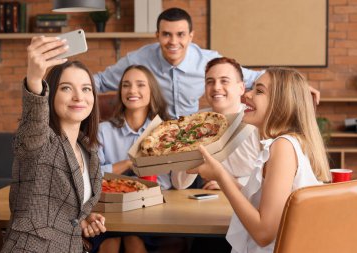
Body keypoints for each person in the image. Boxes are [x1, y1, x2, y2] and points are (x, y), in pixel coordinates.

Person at [187, 67, 330, 253]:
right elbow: (257, 201)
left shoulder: (283, 147)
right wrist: (222, 177)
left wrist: (220, 176)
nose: (247, 94)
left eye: (259, 91)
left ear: (281, 103)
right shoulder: (285, 143)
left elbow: (263, 234)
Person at [1, 36, 106, 253]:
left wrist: (80, 220)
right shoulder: (40, 139)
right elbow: (35, 119)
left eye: (86, 89)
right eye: (66, 88)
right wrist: (34, 79)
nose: (79, 97)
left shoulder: (88, 149)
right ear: (51, 95)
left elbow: (64, 208)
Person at [94, 7, 263, 119]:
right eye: (166, 34)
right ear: (157, 35)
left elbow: (258, 78)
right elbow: (100, 81)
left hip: (191, 134)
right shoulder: (138, 60)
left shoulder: (209, 62)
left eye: (180, 34)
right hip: (153, 134)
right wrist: (71, 86)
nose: (173, 42)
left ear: (190, 36)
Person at [94, 65, 171, 253]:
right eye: (126, 85)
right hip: (110, 207)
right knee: (110, 243)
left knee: (134, 240)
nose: (132, 91)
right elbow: (92, 175)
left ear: (151, 91)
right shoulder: (103, 130)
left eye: (140, 85)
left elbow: (168, 182)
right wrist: (129, 163)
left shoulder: (165, 131)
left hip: (152, 208)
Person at [171, 57, 260, 191]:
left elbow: (272, 177)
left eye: (224, 81)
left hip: (250, 199)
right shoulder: (195, 122)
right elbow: (179, 183)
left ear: (241, 88)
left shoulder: (257, 122)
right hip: (208, 199)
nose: (216, 87)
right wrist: (191, 147)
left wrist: (228, 182)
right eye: (210, 82)